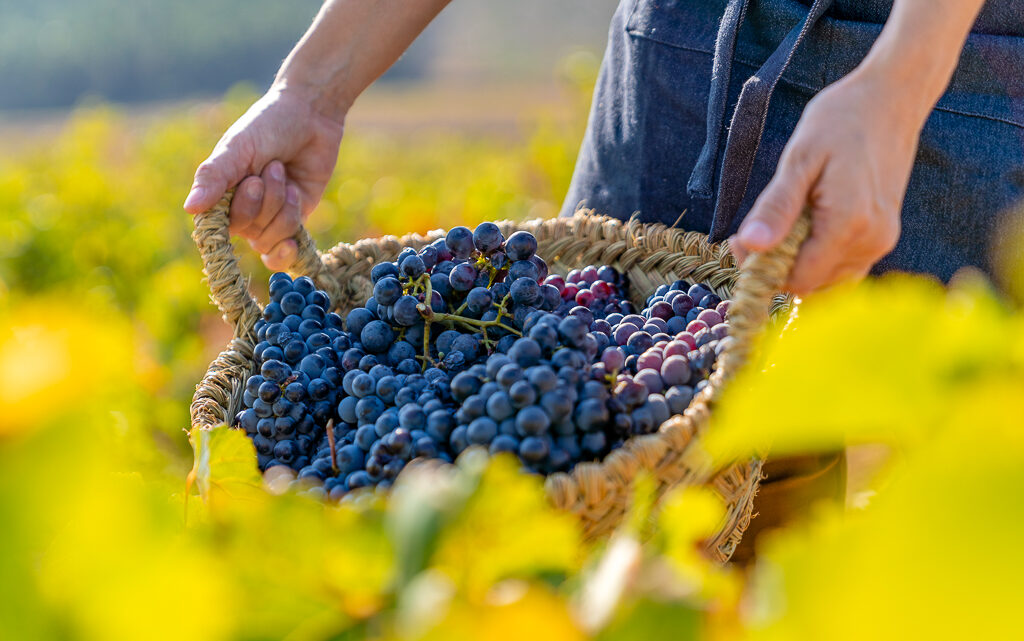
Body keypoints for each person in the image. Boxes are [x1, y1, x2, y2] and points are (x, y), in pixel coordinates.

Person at [183, 0, 1022, 557]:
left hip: (948, 74)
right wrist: (315, 86)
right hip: (684, 58)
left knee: (951, 550)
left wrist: (902, 80)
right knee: (662, 537)